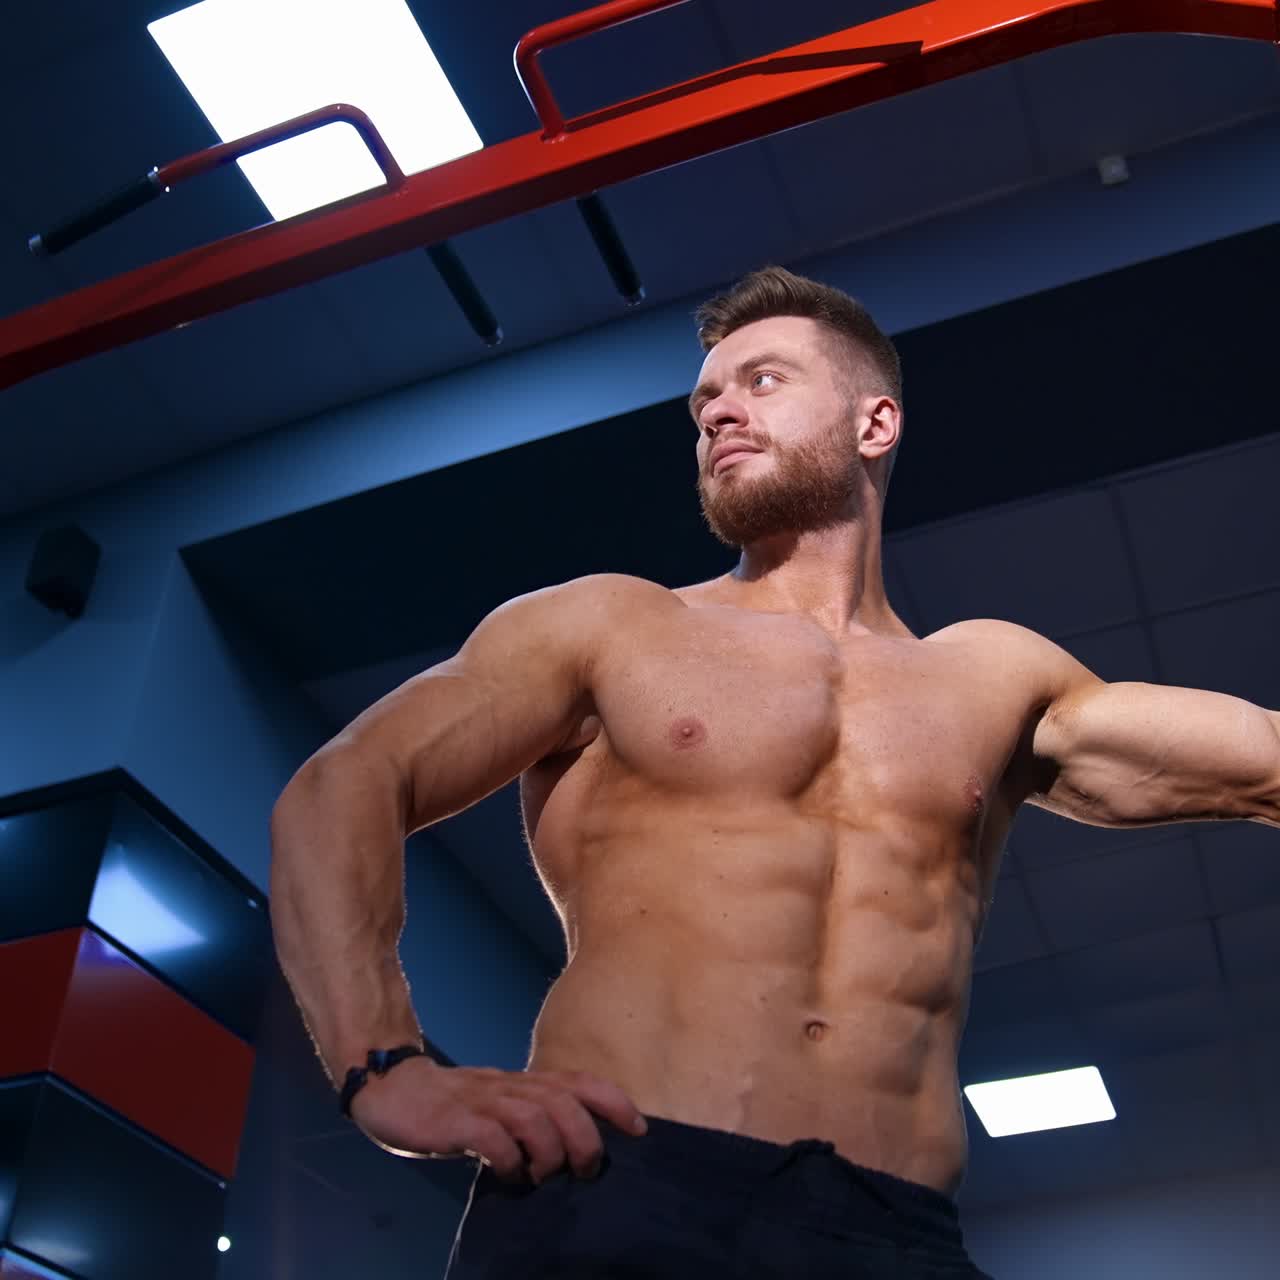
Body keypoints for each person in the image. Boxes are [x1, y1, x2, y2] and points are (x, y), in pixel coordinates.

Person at [269, 266, 1280, 1278]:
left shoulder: (997, 677)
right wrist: (383, 1065)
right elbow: (346, 781)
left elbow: (1261, 762)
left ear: (872, 423)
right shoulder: (610, 625)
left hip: (894, 1230)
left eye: (759, 381)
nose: (716, 414)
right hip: (616, 1193)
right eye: (703, 401)